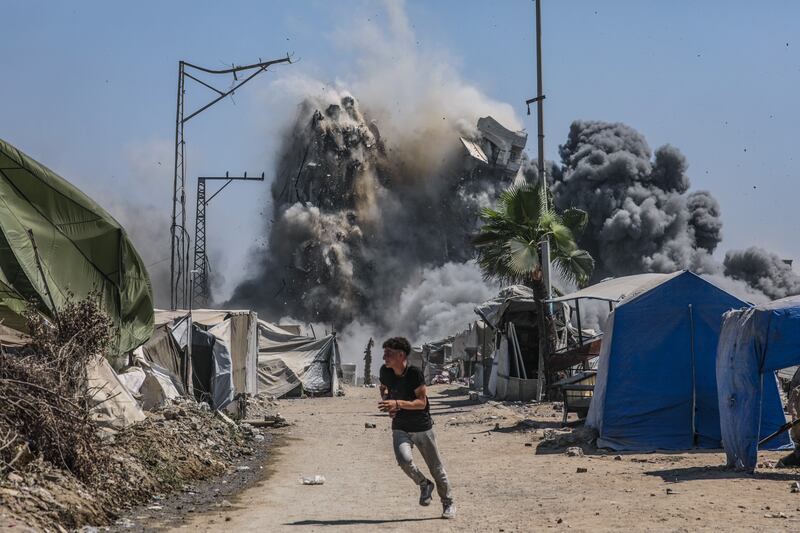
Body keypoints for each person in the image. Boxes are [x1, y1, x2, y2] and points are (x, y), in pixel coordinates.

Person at [378, 337, 455, 519]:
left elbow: (421, 403)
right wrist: (387, 402)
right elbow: (384, 388)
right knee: (404, 460)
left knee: (436, 469)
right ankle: (424, 484)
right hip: (400, 426)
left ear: (401, 355)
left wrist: (397, 403)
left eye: (388, 353)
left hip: (422, 428)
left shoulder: (414, 374)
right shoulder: (385, 371)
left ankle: (448, 503)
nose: (384, 357)